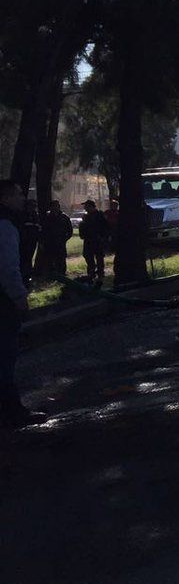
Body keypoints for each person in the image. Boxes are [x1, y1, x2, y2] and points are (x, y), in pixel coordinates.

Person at [0, 179, 44, 427]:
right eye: (17, 194)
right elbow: (7, 267)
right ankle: (11, 411)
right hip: (3, 302)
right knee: (5, 355)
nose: (21, 198)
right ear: (4, 198)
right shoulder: (6, 226)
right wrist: (19, 296)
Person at [78, 199, 110, 286]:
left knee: (99, 257)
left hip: (97, 240)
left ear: (91, 206)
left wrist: (103, 238)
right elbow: (83, 227)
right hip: (88, 240)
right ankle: (91, 272)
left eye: (86, 206)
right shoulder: (86, 216)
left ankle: (100, 273)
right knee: (88, 256)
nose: (85, 208)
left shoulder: (99, 215)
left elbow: (105, 227)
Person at [38, 200, 73, 278]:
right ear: (51, 207)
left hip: (60, 242)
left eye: (57, 206)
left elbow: (70, 230)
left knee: (61, 259)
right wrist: (42, 241)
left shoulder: (64, 217)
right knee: (49, 259)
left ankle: (62, 275)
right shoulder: (46, 218)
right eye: (53, 206)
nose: (55, 207)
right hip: (49, 242)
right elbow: (42, 231)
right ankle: (51, 275)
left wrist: (65, 239)